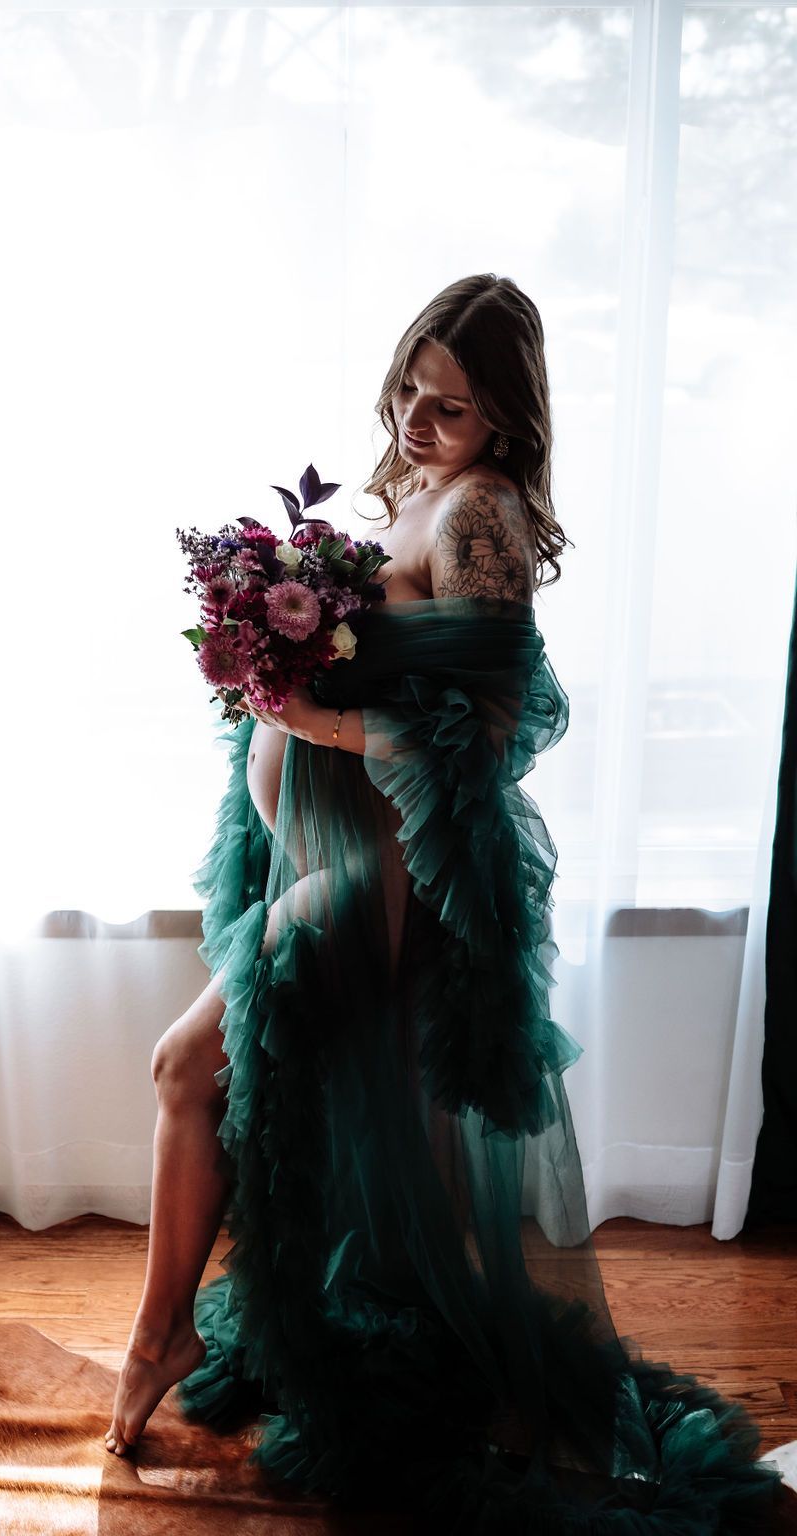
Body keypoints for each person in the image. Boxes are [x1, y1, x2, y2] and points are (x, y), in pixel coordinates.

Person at [105, 275, 786, 1531]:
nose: (419, 422)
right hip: (331, 870)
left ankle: (156, 1345)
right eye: (412, 391)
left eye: (452, 408)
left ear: (507, 425)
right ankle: (287, 1350)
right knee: (293, 1122)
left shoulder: (480, 517)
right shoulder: (418, 489)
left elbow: (486, 732)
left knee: (186, 1069)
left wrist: (315, 718)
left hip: (390, 884)